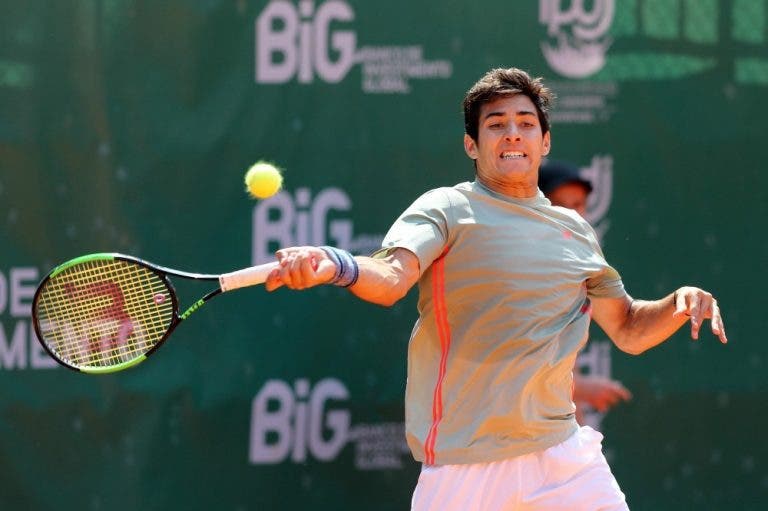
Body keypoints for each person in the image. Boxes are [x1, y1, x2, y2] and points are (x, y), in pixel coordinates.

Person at [264, 67, 727, 510]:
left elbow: (627, 327)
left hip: (562, 457)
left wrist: (676, 303)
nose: (512, 133)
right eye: (496, 124)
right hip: (464, 468)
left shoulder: (577, 231)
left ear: (544, 141)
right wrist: (336, 266)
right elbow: (390, 278)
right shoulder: (447, 207)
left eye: (526, 123)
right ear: (472, 143)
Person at [539, 159, 633, 425]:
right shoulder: (523, 269)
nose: (574, 215)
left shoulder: (577, 265)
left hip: (557, 434)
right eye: (563, 205)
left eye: (579, 205)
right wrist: (582, 388)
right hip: (513, 440)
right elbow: (510, 371)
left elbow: (565, 361)